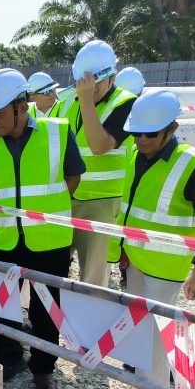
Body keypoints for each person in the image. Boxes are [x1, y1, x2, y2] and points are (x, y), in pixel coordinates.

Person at [0, 69, 86, 389]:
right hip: (2, 242)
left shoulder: (58, 132)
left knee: (46, 313)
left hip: (50, 243)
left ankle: (43, 371)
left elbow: (72, 178)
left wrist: (47, 211)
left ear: (21, 106)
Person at [108, 90, 195, 389]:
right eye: (136, 133)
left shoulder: (193, 165)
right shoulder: (134, 156)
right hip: (135, 258)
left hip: (167, 264)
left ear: (172, 128)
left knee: (158, 327)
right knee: (139, 321)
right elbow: (127, 209)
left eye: (150, 133)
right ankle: (156, 373)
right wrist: (120, 249)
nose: (142, 139)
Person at [66, 40, 137, 288]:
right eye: (83, 81)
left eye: (95, 81)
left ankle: (91, 323)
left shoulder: (126, 103)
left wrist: (85, 101)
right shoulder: (69, 101)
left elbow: (99, 146)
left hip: (101, 203)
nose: (89, 88)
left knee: (93, 278)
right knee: (55, 265)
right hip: (67, 197)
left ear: (112, 77)